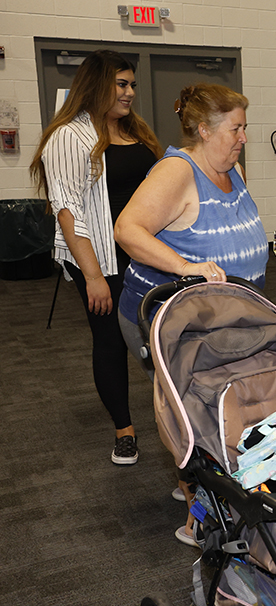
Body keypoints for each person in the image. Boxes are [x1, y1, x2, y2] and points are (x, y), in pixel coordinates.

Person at [115, 83, 269, 547]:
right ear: (204, 130)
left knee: (222, 409)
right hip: (168, 319)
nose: (244, 136)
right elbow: (127, 229)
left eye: (245, 126)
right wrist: (187, 268)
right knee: (191, 414)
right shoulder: (177, 171)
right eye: (235, 128)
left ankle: (205, 481)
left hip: (228, 322)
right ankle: (198, 514)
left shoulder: (233, 168)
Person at [30, 49, 162, 466]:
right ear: (97, 85)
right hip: (100, 258)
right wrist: (92, 275)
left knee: (155, 338)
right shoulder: (69, 136)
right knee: (109, 341)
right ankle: (124, 430)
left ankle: (175, 420)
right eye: (121, 84)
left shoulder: (134, 129)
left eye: (132, 85)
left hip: (140, 254)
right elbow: (68, 211)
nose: (129, 92)